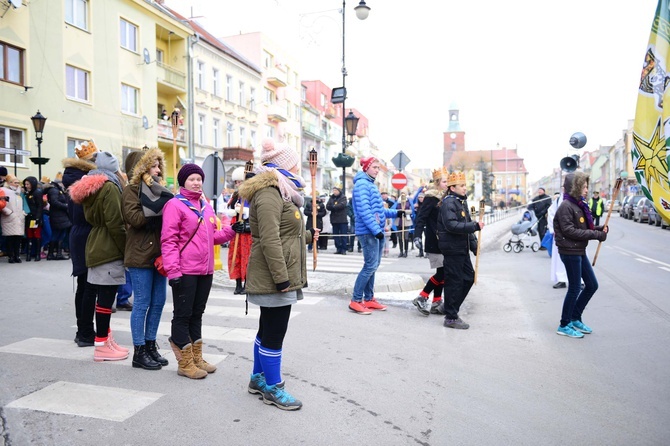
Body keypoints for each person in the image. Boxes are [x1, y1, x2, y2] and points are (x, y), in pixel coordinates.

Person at [238, 138, 318, 411]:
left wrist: (307, 235)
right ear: (286, 164)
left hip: (279, 269)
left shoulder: (283, 189)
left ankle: (258, 378)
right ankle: (273, 387)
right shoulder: (270, 191)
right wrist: (282, 278)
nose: (299, 166)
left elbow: (284, 233)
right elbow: (269, 239)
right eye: (295, 162)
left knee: (267, 328)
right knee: (274, 332)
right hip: (274, 274)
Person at [161, 163, 236, 379]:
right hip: (185, 270)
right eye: (192, 179)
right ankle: (184, 363)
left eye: (199, 179)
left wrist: (232, 230)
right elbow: (169, 240)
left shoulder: (205, 205)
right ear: (183, 181)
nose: (197, 183)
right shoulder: (175, 205)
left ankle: (196, 357)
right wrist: (173, 271)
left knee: (197, 314)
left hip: (205, 269)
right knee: (183, 315)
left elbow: (214, 236)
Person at [68, 151, 129, 362]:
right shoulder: (109, 186)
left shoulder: (92, 186)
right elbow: (116, 223)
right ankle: (102, 345)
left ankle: (105, 339)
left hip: (96, 241)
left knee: (100, 294)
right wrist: (125, 249)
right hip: (108, 246)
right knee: (105, 297)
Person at [122, 148, 174, 370]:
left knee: (159, 302)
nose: (158, 169)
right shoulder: (131, 190)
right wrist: (157, 206)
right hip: (139, 253)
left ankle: (151, 345)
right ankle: (139, 351)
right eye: (153, 165)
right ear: (142, 168)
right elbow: (133, 218)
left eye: (158, 165)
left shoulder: (160, 190)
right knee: (142, 303)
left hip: (159, 254)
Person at [554, 172, 608, 338]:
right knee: (575, 288)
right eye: (584, 187)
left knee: (592, 285)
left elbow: (584, 228)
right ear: (575, 187)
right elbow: (569, 231)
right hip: (569, 251)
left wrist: (599, 229)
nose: (586, 190)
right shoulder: (566, 206)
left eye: (586, 186)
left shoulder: (579, 204)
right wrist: (596, 235)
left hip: (578, 250)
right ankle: (564, 324)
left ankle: (575, 317)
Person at [349, 156, 402, 315]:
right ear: (366, 168)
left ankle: (369, 299)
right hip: (368, 232)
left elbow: (378, 211)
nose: (377, 170)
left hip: (373, 230)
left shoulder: (370, 184)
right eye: (374, 167)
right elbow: (365, 212)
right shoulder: (362, 185)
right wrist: (376, 230)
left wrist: (395, 212)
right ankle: (356, 300)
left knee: (373, 266)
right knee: (370, 265)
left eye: (378, 168)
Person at [62, 140, 99, 347]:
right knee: (88, 286)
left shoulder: (73, 177)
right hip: (86, 234)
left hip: (80, 233)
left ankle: (83, 330)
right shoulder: (83, 180)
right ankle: (85, 332)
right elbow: (85, 213)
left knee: (85, 286)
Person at [437, 171, 484, 329]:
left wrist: (474, 246)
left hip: (461, 248)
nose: (465, 188)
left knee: (469, 277)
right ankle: (451, 317)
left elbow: (467, 229)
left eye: (465, 185)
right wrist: (475, 226)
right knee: (454, 281)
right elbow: (451, 226)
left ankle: (451, 306)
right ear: (452, 188)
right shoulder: (448, 203)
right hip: (452, 248)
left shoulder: (460, 202)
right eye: (461, 186)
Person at [412, 168, 449, 316]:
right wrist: (417, 236)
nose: (447, 183)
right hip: (434, 240)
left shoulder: (446, 197)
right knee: (443, 272)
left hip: (444, 240)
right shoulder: (431, 197)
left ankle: (436, 302)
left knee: (442, 272)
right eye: (445, 181)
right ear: (438, 182)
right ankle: (422, 296)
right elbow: (421, 217)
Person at [226, 166, 253, 295]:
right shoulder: (236, 194)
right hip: (236, 230)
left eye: (240, 182)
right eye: (236, 182)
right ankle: (238, 285)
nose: (238, 184)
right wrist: (233, 209)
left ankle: (247, 284)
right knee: (235, 258)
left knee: (247, 258)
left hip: (247, 232)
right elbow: (229, 206)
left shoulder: (251, 195)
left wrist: (245, 212)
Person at [43, 178, 71, 260]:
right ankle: (53, 254)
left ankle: (56, 253)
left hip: (60, 215)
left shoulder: (56, 190)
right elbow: (54, 202)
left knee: (60, 234)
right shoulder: (54, 190)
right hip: (58, 215)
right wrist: (66, 206)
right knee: (57, 234)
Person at [1, 175, 25, 263]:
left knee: (18, 238)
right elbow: (1, 203)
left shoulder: (18, 192)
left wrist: (22, 213)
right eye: (15, 183)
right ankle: (11, 256)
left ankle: (17, 256)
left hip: (18, 218)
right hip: (9, 217)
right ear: (9, 183)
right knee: (10, 238)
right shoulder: (3, 191)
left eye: (18, 183)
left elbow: (21, 204)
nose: (17, 184)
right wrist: (8, 212)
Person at [547, 190, 568, 289]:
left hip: (576, 235)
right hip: (561, 234)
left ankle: (580, 280)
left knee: (579, 258)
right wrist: (554, 229)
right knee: (560, 258)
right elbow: (551, 213)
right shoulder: (559, 200)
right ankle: (562, 279)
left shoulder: (579, 198)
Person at [23, 176, 43, 262]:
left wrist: (38, 217)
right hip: (28, 217)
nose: (26, 185)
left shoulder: (37, 193)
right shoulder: (27, 193)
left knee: (36, 235)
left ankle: (37, 254)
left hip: (35, 217)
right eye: (25, 184)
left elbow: (40, 206)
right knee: (29, 236)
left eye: (28, 184)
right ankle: (29, 254)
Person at [326, 186, 348, 255]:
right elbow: (328, 206)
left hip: (342, 220)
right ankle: (338, 248)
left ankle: (344, 249)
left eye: (336, 190)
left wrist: (333, 207)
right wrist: (334, 207)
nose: (334, 192)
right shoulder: (331, 198)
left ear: (339, 191)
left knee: (343, 235)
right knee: (336, 235)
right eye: (334, 190)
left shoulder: (343, 197)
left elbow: (342, 205)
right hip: (334, 220)